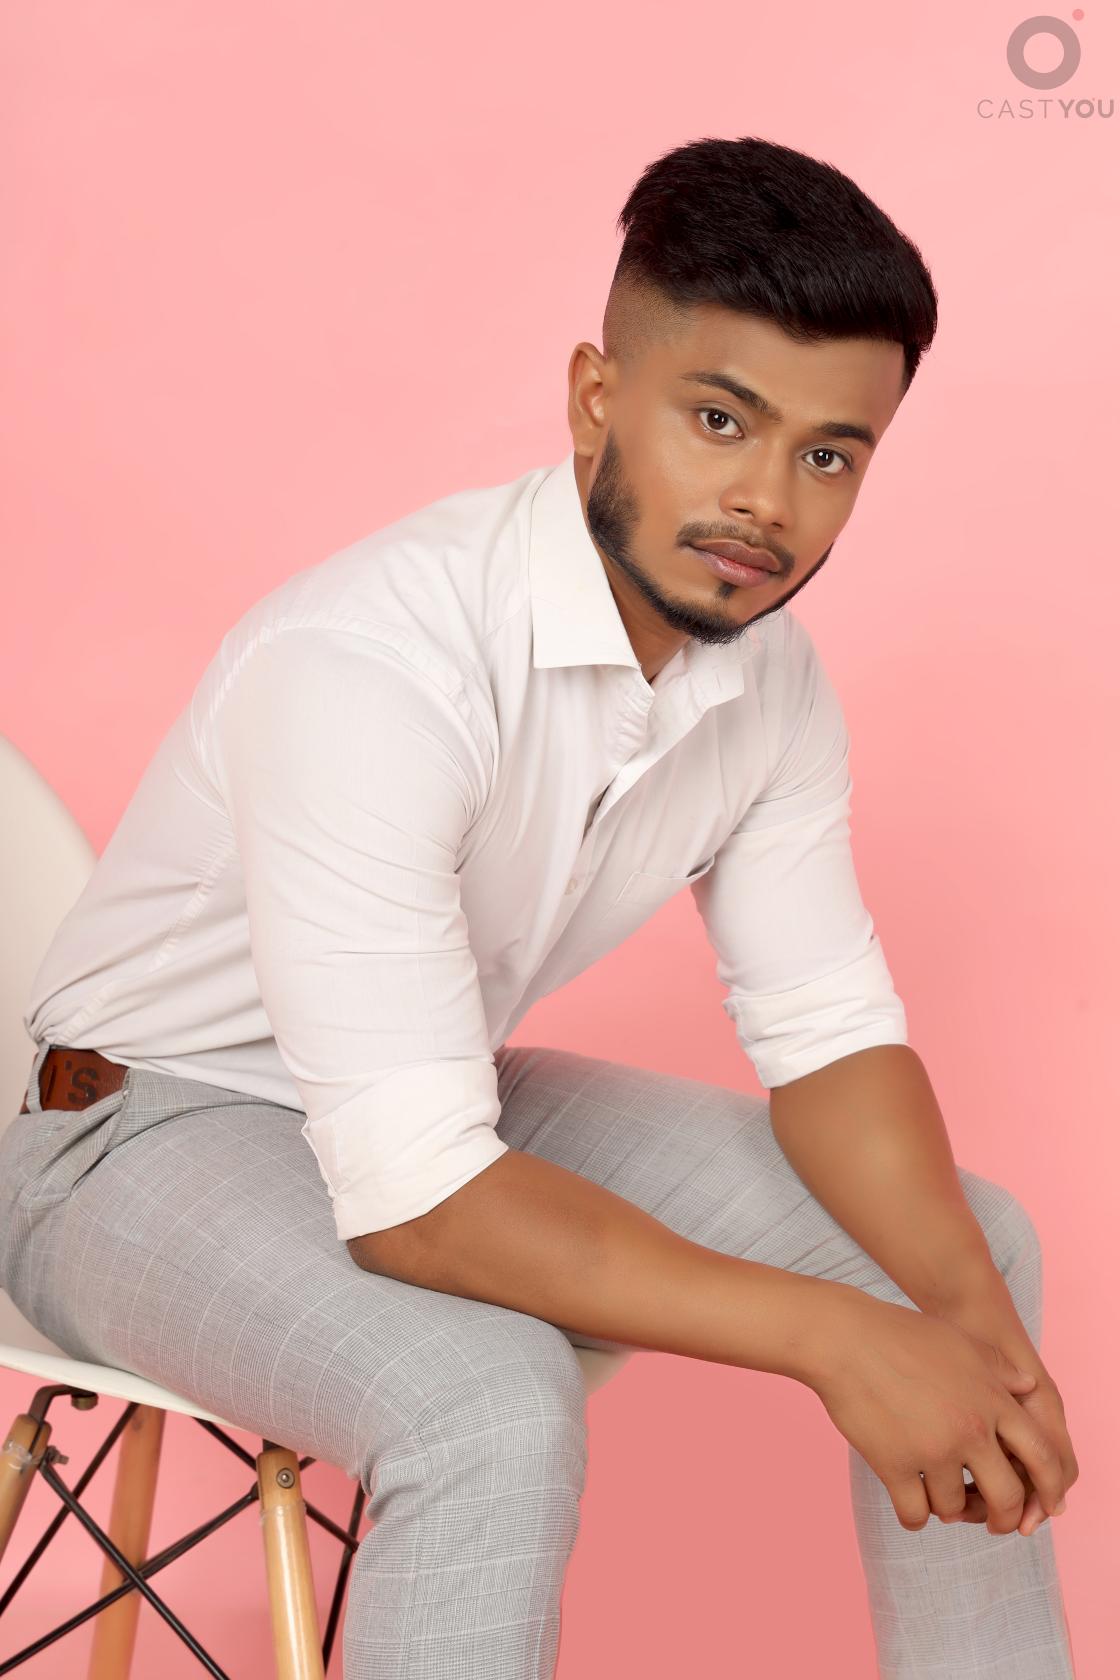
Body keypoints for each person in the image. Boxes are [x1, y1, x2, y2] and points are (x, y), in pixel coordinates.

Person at [1, 134, 1078, 1678]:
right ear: (595, 398)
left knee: (976, 1247)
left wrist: (971, 1342)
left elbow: (830, 1038)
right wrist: (845, 1343)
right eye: (721, 419)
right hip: (135, 1137)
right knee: (489, 1402)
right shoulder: (377, 663)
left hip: (419, 1089)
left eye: (830, 456)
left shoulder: (769, 683)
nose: (765, 501)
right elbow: (423, 1201)